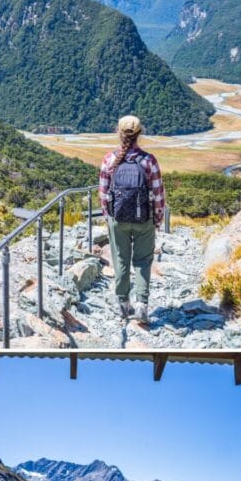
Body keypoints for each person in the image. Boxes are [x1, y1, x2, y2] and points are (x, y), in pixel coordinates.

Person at [98, 115, 165, 324]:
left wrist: (109, 217)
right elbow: (158, 194)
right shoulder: (148, 160)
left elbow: (103, 194)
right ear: (139, 133)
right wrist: (157, 219)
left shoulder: (109, 159)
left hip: (118, 218)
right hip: (143, 218)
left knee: (120, 259)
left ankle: (122, 303)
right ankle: (142, 305)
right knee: (143, 260)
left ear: (118, 132)